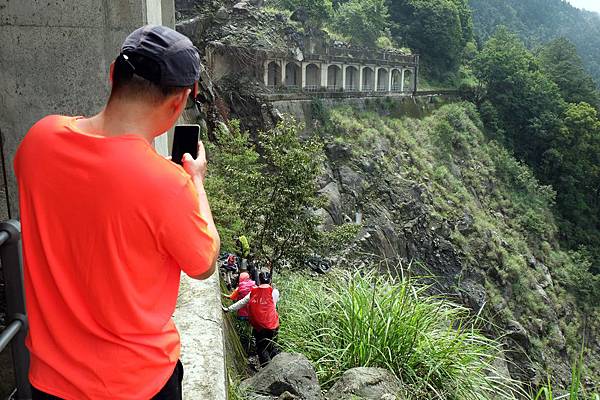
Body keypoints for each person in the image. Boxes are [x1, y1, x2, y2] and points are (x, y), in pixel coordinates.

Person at [14, 25, 220, 400]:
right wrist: (197, 183)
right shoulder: (168, 185)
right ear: (180, 102)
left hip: (49, 383)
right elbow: (203, 263)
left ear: (112, 74)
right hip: (137, 385)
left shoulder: (37, 142)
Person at [224, 272, 280, 367]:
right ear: (270, 280)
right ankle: (279, 365)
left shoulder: (253, 292)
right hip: (273, 324)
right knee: (270, 346)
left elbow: (242, 302)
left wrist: (228, 309)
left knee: (261, 348)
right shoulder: (274, 292)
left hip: (259, 326)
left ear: (259, 280)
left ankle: (268, 370)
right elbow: (273, 305)